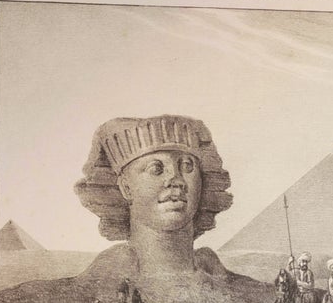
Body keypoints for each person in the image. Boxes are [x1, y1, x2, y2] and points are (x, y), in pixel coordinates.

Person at [73, 115, 234, 278]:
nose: (176, 180)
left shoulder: (248, 291)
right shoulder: (88, 290)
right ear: (126, 187)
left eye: (187, 166)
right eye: (156, 168)